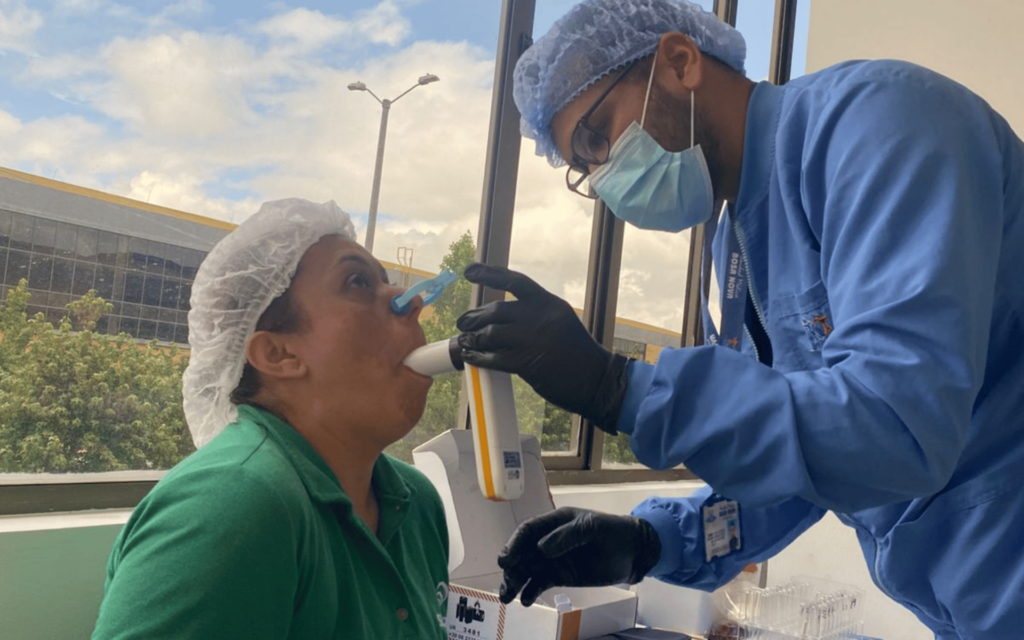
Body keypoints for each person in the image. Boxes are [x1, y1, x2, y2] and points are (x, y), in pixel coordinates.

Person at [453, 1, 1024, 638]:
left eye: (596, 136)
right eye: (584, 169)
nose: (604, 175)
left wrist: (618, 389)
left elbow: (895, 428)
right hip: (970, 604)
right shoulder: (734, 251)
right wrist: (655, 540)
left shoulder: (884, 125)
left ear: (679, 62)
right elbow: (806, 462)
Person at [92, 199, 449, 640]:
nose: (408, 301)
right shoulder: (230, 508)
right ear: (277, 354)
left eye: (387, 281)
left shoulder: (416, 502)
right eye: (357, 281)